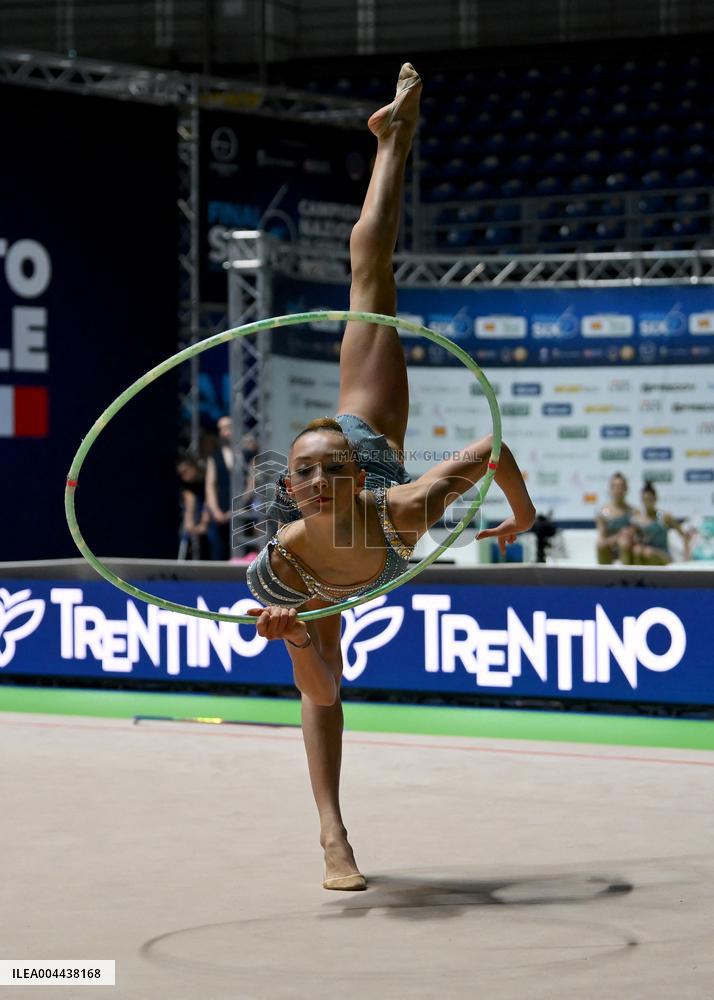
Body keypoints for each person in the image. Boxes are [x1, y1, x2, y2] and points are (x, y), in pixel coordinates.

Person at [245, 65, 536, 892]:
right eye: (304, 471)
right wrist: (296, 636)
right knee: (321, 697)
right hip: (325, 572)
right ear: (292, 489)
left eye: (329, 467)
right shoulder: (286, 562)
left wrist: (523, 516)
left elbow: (493, 451)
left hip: (373, 447)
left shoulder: (399, 505)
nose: (316, 477)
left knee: (368, 274)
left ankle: (391, 141)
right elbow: (324, 686)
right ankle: (332, 835)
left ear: (353, 475)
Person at [631, 481, 692, 565]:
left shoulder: (664, 517)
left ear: (655, 498)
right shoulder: (637, 519)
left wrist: (686, 557)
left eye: (650, 499)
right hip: (643, 553)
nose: (647, 503)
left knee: (648, 552)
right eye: (645, 499)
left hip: (664, 555)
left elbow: (684, 535)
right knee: (637, 550)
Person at [205, 415, 234, 559]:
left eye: (227, 428)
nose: (224, 432)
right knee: (219, 553)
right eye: (221, 429)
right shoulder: (214, 457)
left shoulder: (247, 454)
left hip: (241, 511)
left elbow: (251, 484)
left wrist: (236, 509)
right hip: (220, 512)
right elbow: (210, 485)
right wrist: (215, 510)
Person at [596, 471, 635, 565]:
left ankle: (627, 573)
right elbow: (601, 537)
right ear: (610, 489)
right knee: (600, 546)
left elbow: (634, 536)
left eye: (621, 486)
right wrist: (617, 537)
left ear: (626, 489)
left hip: (628, 550)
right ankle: (603, 573)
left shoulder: (633, 512)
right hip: (610, 549)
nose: (618, 490)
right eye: (615, 486)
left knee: (624, 542)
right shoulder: (603, 512)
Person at [177, 454, 211, 560]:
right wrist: (190, 524)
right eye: (181, 474)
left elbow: (208, 502)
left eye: (186, 471)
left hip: (210, 522)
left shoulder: (207, 480)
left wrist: (204, 522)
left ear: (193, 467)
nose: (184, 476)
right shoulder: (187, 489)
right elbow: (189, 509)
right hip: (194, 524)